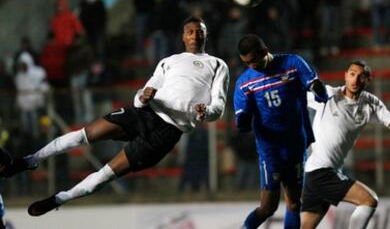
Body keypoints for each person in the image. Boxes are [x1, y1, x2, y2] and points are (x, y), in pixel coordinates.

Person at [0, 16, 230, 217]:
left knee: (104, 176)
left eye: (200, 31)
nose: (195, 35)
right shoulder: (168, 61)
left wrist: (206, 112)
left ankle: (59, 199)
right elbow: (139, 98)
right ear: (183, 36)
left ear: (206, 35)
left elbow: (218, 106)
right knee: (85, 134)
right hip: (145, 114)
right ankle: (30, 160)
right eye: (190, 31)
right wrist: (143, 96)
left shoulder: (217, 65)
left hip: (166, 133)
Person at [301, 60, 390, 229]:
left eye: (361, 76)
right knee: (369, 200)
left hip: (321, 173)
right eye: (352, 74)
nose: (355, 80)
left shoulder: (371, 103)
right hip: (320, 172)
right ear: (345, 75)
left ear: (368, 80)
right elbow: (296, 96)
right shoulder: (328, 95)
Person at [233, 34, 328, 229]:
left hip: (296, 143)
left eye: (254, 60)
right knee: (268, 208)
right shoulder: (245, 82)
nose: (251, 66)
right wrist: (242, 121)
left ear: (265, 51)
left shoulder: (293, 64)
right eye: (246, 63)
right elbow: (242, 116)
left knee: (294, 202)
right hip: (270, 149)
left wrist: (318, 89)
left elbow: (317, 87)